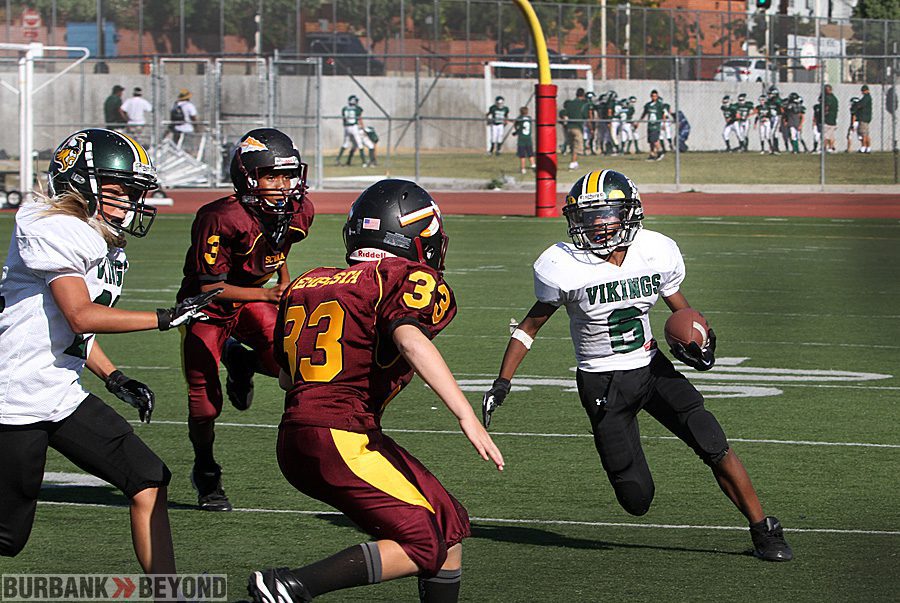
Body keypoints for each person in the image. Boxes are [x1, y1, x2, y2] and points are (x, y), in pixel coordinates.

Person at [481, 169, 793, 564]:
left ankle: (765, 530)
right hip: (602, 383)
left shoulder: (654, 251)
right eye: (588, 216)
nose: (597, 225)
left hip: (651, 368)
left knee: (712, 440)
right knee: (637, 499)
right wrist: (503, 382)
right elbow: (529, 327)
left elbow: (683, 312)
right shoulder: (563, 264)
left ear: (629, 214)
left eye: (606, 215)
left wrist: (702, 341)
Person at [246, 179, 504, 603]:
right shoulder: (398, 276)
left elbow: (288, 378)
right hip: (340, 438)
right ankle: (290, 587)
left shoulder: (307, 282)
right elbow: (410, 339)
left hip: (303, 436)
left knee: (448, 526)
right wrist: (466, 416)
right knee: (424, 543)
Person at [0, 128, 218, 572]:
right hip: (15, 398)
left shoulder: (97, 236)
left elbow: (70, 331)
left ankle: (170, 597)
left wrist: (114, 377)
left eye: (132, 193)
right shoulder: (53, 227)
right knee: (7, 537)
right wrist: (165, 317)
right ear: (79, 184)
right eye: (118, 192)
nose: (128, 204)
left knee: (148, 478)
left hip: (59, 394)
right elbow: (80, 316)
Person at [177, 128, 315, 512]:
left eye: (288, 175)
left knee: (288, 364)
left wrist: (284, 281)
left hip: (250, 298)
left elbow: (279, 245)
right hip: (206, 306)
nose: (283, 185)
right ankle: (206, 471)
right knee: (204, 405)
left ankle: (240, 361)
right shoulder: (220, 217)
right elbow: (211, 287)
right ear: (247, 176)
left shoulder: (298, 209)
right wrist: (270, 295)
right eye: (272, 175)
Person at [336, 95, 372, 166]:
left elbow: (344, 119)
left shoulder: (344, 108)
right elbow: (359, 117)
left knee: (345, 144)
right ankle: (364, 162)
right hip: (354, 127)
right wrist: (363, 127)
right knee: (359, 144)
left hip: (346, 127)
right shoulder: (357, 109)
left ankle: (338, 159)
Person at [562, 88, 589, 170]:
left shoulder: (569, 103)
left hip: (569, 127)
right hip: (577, 127)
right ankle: (573, 163)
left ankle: (574, 162)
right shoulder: (583, 104)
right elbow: (585, 115)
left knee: (573, 146)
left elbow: (563, 113)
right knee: (577, 147)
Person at [640, 89, 665, 160]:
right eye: (653, 96)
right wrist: (639, 121)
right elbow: (644, 113)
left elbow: (663, 114)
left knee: (655, 140)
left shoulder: (659, 105)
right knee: (651, 141)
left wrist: (663, 123)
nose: (654, 97)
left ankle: (660, 152)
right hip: (650, 125)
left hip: (656, 125)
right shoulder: (648, 105)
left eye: (655, 96)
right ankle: (652, 154)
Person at [513, 105, 536, 174]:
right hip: (528, 138)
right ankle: (533, 165)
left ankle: (523, 169)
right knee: (530, 154)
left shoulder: (519, 118)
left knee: (522, 155)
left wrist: (516, 131)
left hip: (521, 139)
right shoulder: (529, 118)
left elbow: (516, 125)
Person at [822, 84, 838, 153]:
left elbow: (827, 106)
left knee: (825, 135)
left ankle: (824, 148)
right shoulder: (835, 98)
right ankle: (831, 147)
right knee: (831, 135)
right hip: (833, 118)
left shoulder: (828, 98)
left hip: (828, 118)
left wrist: (824, 113)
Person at [856, 85, 873, 153]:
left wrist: (856, 105)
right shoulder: (867, 97)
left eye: (863, 91)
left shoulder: (866, 97)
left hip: (864, 117)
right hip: (866, 117)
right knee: (865, 133)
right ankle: (867, 147)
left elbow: (861, 105)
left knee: (864, 133)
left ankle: (864, 146)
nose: (862, 92)